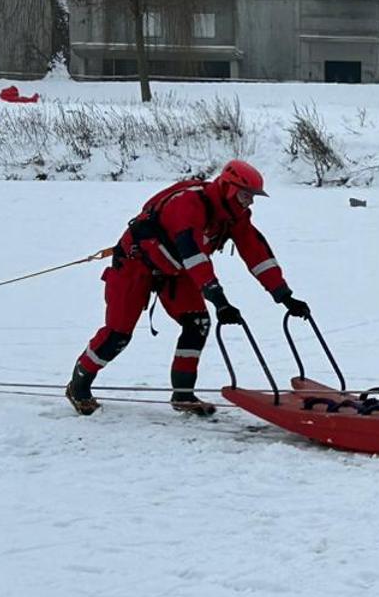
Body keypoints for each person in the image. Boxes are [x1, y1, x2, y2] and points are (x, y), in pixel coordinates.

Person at [65, 160, 312, 417]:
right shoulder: (187, 204)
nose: (249, 202)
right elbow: (193, 255)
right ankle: (79, 385)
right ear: (228, 188)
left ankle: (183, 395)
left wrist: (284, 296)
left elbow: (257, 254)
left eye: (252, 197)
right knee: (118, 334)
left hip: (175, 271)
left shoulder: (234, 216)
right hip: (134, 268)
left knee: (197, 323)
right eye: (245, 195)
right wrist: (219, 299)